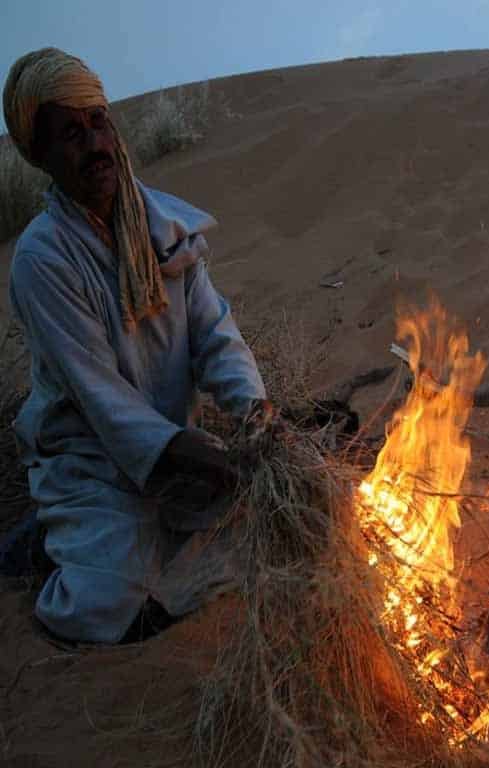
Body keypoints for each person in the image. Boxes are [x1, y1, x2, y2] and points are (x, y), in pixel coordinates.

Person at [1, 48, 272, 644]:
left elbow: (214, 332)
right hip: (93, 461)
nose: (95, 144)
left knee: (263, 542)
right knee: (111, 602)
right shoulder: (43, 259)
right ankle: (43, 546)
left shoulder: (163, 227)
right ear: (41, 155)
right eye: (71, 134)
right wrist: (200, 458)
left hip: (176, 448)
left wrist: (253, 408)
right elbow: (102, 400)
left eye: (99, 121)